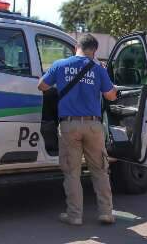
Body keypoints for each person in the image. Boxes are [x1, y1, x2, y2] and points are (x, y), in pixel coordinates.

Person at [38, 34, 118, 226]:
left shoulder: (60, 64)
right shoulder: (98, 69)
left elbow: (41, 85)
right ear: (95, 51)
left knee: (72, 171)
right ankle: (106, 213)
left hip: (68, 125)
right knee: (99, 169)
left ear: (76, 47)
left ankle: (74, 215)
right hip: (93, 125)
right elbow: (110, 96)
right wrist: (112, 87)